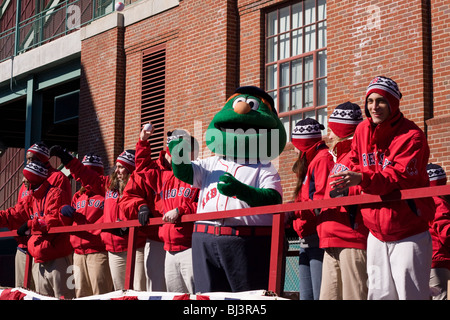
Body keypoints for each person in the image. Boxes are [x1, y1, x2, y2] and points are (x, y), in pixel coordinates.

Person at [330, 76, 435, 300]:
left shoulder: (412, 136)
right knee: (379, 295)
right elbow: (356, 160)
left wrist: (361, 179)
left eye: (381, 101)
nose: (374, 107)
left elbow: (398, 177)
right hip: (376, 232)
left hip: (409, 231)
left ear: (393, 103)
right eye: (370, 101)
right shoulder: (361, 131)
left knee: (411, 295)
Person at [51, 146, 147, 291]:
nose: (117, 170)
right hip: (114, 249)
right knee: (120, 293)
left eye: (122, 167)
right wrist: (66, 158)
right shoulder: (108, 185)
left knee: (139, 290)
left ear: (130, 168)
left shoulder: (138, 185)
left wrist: (143, 209)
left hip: (136, 246)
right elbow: (85, 174)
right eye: (117, 166)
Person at [121, 124, 199, 293]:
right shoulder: (158, 172)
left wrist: (181, 210)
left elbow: (203, 203)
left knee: (193, 293)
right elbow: (141, 172)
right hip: (158, 238)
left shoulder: (194, 171)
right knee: (158, 290)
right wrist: (141, 206)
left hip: (187, 240)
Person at [317, 102, 369, 300]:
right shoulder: (340, 157)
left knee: (354, 296)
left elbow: (366, 184)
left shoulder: (356, 153)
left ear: (341, 129)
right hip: (330, 235)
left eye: (331, 130)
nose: (328, 136)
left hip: (351, 236)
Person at [0, 161, 74, 299]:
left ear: (34, 178)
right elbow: (13, 214)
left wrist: (29, 224)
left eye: (26, 177)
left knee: (64, 297)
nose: (23, 181)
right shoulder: (30, 199)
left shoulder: (56, 194)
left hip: (57, 258)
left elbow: (53, 220)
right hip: (39, 259)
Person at [14, 141, 72, 289]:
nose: (28, 162)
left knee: (57, 294)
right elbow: (19, 210)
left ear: (42, 159)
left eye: (31, 159)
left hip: (47, 247)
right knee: (23, 292)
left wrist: (31, 225)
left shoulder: (58, 178)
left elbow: (55, 215)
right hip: (26, 244)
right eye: (27, 159)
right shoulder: (27, 181)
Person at [291, 118, 334, 300]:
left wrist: (298, 211)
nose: (292, 147)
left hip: (317, 236)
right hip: (306, 236)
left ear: (303, 142)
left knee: (319, 295)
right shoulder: (309, 162)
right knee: (306, 296)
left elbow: (321, 198)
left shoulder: (322, 159)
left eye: (294, 143)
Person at [59, 153, 113, 298]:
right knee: (80, 293)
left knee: (100, 293)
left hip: (98, 251)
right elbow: (67, 224)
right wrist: (63, 213)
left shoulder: (106, 193)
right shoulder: (78, 196)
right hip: (78, 253)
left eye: (91, 171)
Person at [426, 163, 450, 300]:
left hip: (426, 259)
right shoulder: (438, 202)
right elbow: (446, 232)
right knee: (441, 296)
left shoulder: (423, 202)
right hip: (438, 260)